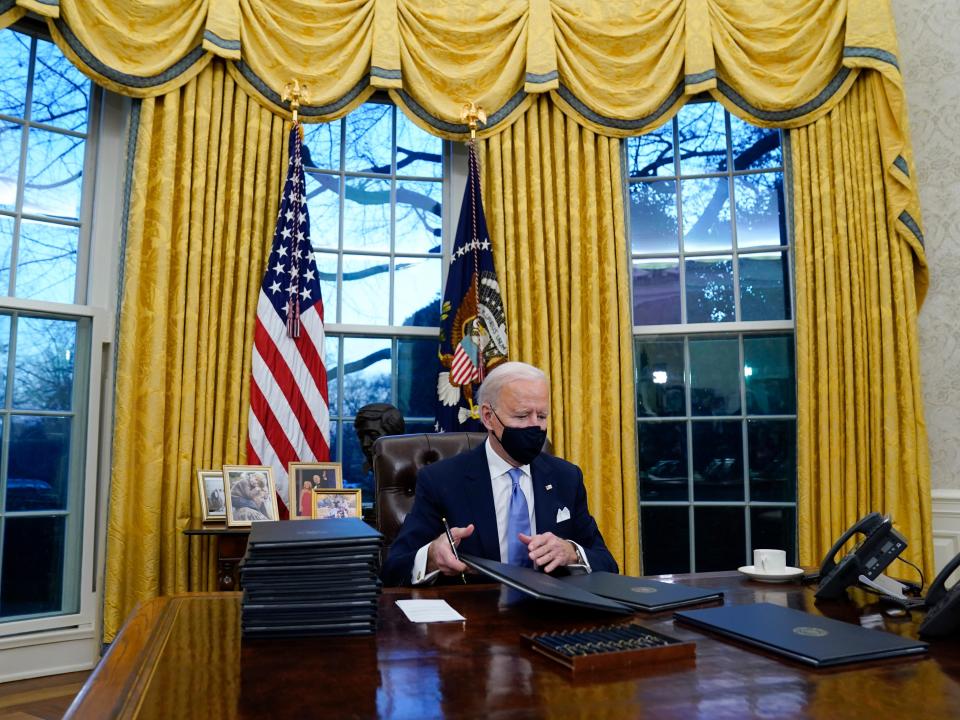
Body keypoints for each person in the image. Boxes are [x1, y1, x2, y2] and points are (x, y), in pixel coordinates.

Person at [381, 361, 618, 585]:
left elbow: (606, 563)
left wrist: (572, 552)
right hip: (477, 616)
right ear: (488, 417)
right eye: (522, 416)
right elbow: (395, 568)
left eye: (542, 416)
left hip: (549, 615)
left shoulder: (566, 477)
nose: (535, 426)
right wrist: (432, 556)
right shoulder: (441, 480)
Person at [354, 403, 406, 474]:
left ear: (394, 436)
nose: (365, 444)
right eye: (361, 437)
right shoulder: (362, 470)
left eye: (373, 435)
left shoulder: (411, 471)